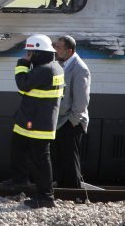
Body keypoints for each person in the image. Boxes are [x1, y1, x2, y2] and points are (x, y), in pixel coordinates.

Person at [9, 34, 64, 209]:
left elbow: (23, 85)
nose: (28, 55)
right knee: (19, 150)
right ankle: (20, 182)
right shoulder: (54, 66)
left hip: (37, 122)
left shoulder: (44, 70)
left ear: (38, 53)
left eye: (30, 53)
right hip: (33, 119)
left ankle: (46, 197)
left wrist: (22, 65)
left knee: (40, 160)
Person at [52, 35, 90, 191]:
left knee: (69, 158)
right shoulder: (63, 64)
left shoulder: (80, 68)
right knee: (60, 157)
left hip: (71, 121)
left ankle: (73, 191)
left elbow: (82, 100)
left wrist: (73, 120)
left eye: (59, 47)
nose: (55, 50)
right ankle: (62, 187)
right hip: (61, 120)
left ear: (69, 50)